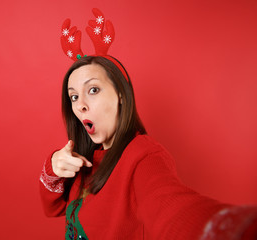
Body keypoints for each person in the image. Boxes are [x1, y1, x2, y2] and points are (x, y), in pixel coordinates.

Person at [39, 9, 257, 240]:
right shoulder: (85, 157)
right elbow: (52, 208)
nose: (80, 105)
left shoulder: (143, 155)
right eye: (73, 96)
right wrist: (53, 167)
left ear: (121, 95)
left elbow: (172, 209)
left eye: (93, 90)